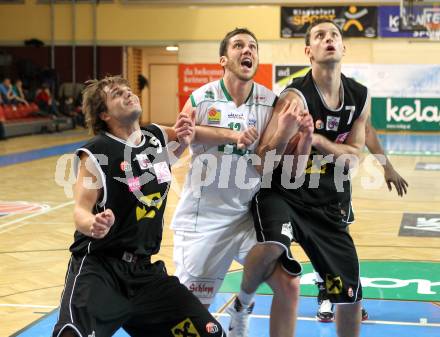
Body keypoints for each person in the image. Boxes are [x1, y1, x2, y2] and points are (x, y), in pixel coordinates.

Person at [52, 76, 225, 337]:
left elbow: (163, 162)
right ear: (104, 114)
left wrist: (188, 141)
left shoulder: (154, 136)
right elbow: (80, 210)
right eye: (117, 94)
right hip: (101, 270)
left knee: (209, 333)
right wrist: (93, 224)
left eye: (128, 90)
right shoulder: (96, 152)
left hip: (144, 273)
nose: (128, 94)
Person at [234, 19, 373, 337]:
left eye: (334, 35)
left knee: (350, 295)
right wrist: (284, 134)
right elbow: (262, 162)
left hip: (327, 200)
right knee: (272, 247)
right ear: (309, 51)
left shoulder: (360, 97)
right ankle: (244, 301)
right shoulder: (294, 98)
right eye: (320, 36)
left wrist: (318, 140)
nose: (329, 39)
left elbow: (354, 158)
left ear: (343, 47)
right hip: (283, 192)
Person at [170, 28, 303, 337]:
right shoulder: (200, 98)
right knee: (191, 317)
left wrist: (295, 135)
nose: (248, 51)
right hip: (203, 221)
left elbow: (270, 166)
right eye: (239, 45)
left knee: (289, 284)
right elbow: (175, 148)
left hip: (247, 217)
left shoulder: (270, 103)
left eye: (253, 47)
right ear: (223, 59)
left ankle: (242, 305)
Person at [315, 108, 409, 323]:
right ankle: (328, 294)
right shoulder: (300, 95)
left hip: (335, 183)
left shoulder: (349, 97)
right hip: (299, 180)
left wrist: (387, 167)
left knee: (337, 242)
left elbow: (366, 130)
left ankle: (341, 295)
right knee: (316, 244)